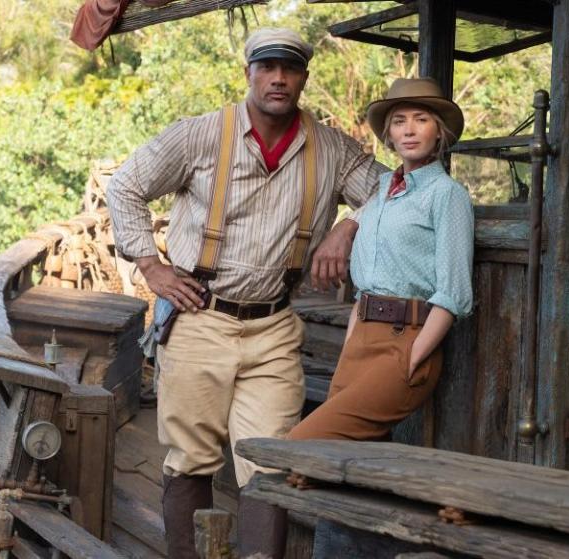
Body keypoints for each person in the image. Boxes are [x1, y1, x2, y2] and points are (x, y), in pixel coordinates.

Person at [106, 27, 387, 559]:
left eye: (290, 69)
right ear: (249, 73)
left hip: (275, 326)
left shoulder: (330, 148)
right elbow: (125, 185)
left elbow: (394, 190)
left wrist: (347, 227)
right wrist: (150, 264)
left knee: (272, 460)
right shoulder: (201, 134)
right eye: (268, 67)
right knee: (190, 457)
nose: (278, 78)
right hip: (199, 317)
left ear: (303, 77)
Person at [287, 77, 474, 464]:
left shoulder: (447, 195)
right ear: (388, 133)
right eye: (399, 120)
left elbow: (453, 292)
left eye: (421, 119)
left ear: (439, 131)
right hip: (360, 340)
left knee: (301, 446)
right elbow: (365, 285)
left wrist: (414, 354)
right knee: (351, 467)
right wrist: (352, 341)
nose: (408, 129)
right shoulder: (381, 191)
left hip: (406, 342)